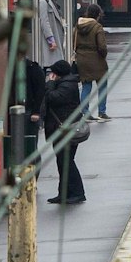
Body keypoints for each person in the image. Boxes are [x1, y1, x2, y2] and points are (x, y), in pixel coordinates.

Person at [43, 60, 89, 205]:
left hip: (65, 129)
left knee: (67, 161)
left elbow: (53, 98)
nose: (52, 75)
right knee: (62, 161)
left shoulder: (67, 85)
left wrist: (50, 84)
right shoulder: (67, 82)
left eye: (54, 73)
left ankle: (77, 193)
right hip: (61, 129)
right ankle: (64, 193)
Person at [74, 2, 112, 121]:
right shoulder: (97, 27)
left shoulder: (78, 25)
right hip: (96, 59)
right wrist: (103, 55)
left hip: (81, 58)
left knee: (86, 86)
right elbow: (102, 46)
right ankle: (102, 112)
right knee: (102, 85)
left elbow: (73, 43)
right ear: (98, 15)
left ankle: (85, 112)